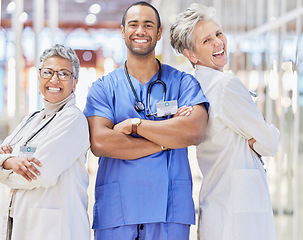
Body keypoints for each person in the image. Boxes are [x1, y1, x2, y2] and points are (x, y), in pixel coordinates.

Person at [83, 1, 209, 239]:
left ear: (159, 32)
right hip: (117, 211)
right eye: (133, 24)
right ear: (123, 31)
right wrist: (167, 139)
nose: (140, 31)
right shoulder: (103, 88)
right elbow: (100, 142)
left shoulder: (183, 83)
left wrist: (135, 125)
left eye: (148, 25)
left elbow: (194, 131)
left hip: (169, 211)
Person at [170, 3, 280, 240]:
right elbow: (269, 144)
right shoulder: (225, 85)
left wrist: (255, 136)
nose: (218, 42)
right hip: (239, 218)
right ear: (191, 55)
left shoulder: (197, 87)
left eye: (218, 33)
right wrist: (262, 130)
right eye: (206, 41)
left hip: (218, 206)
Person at [0, 44, 91, 240]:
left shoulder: (72, 119)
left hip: (55, 229)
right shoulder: (31, 119)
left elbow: (40, 174)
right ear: (39, 77)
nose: (54, 79)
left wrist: (5, 163)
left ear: (75, 82)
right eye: (48, 72)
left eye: (64, 74)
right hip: (23, 223)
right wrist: (10, 162)